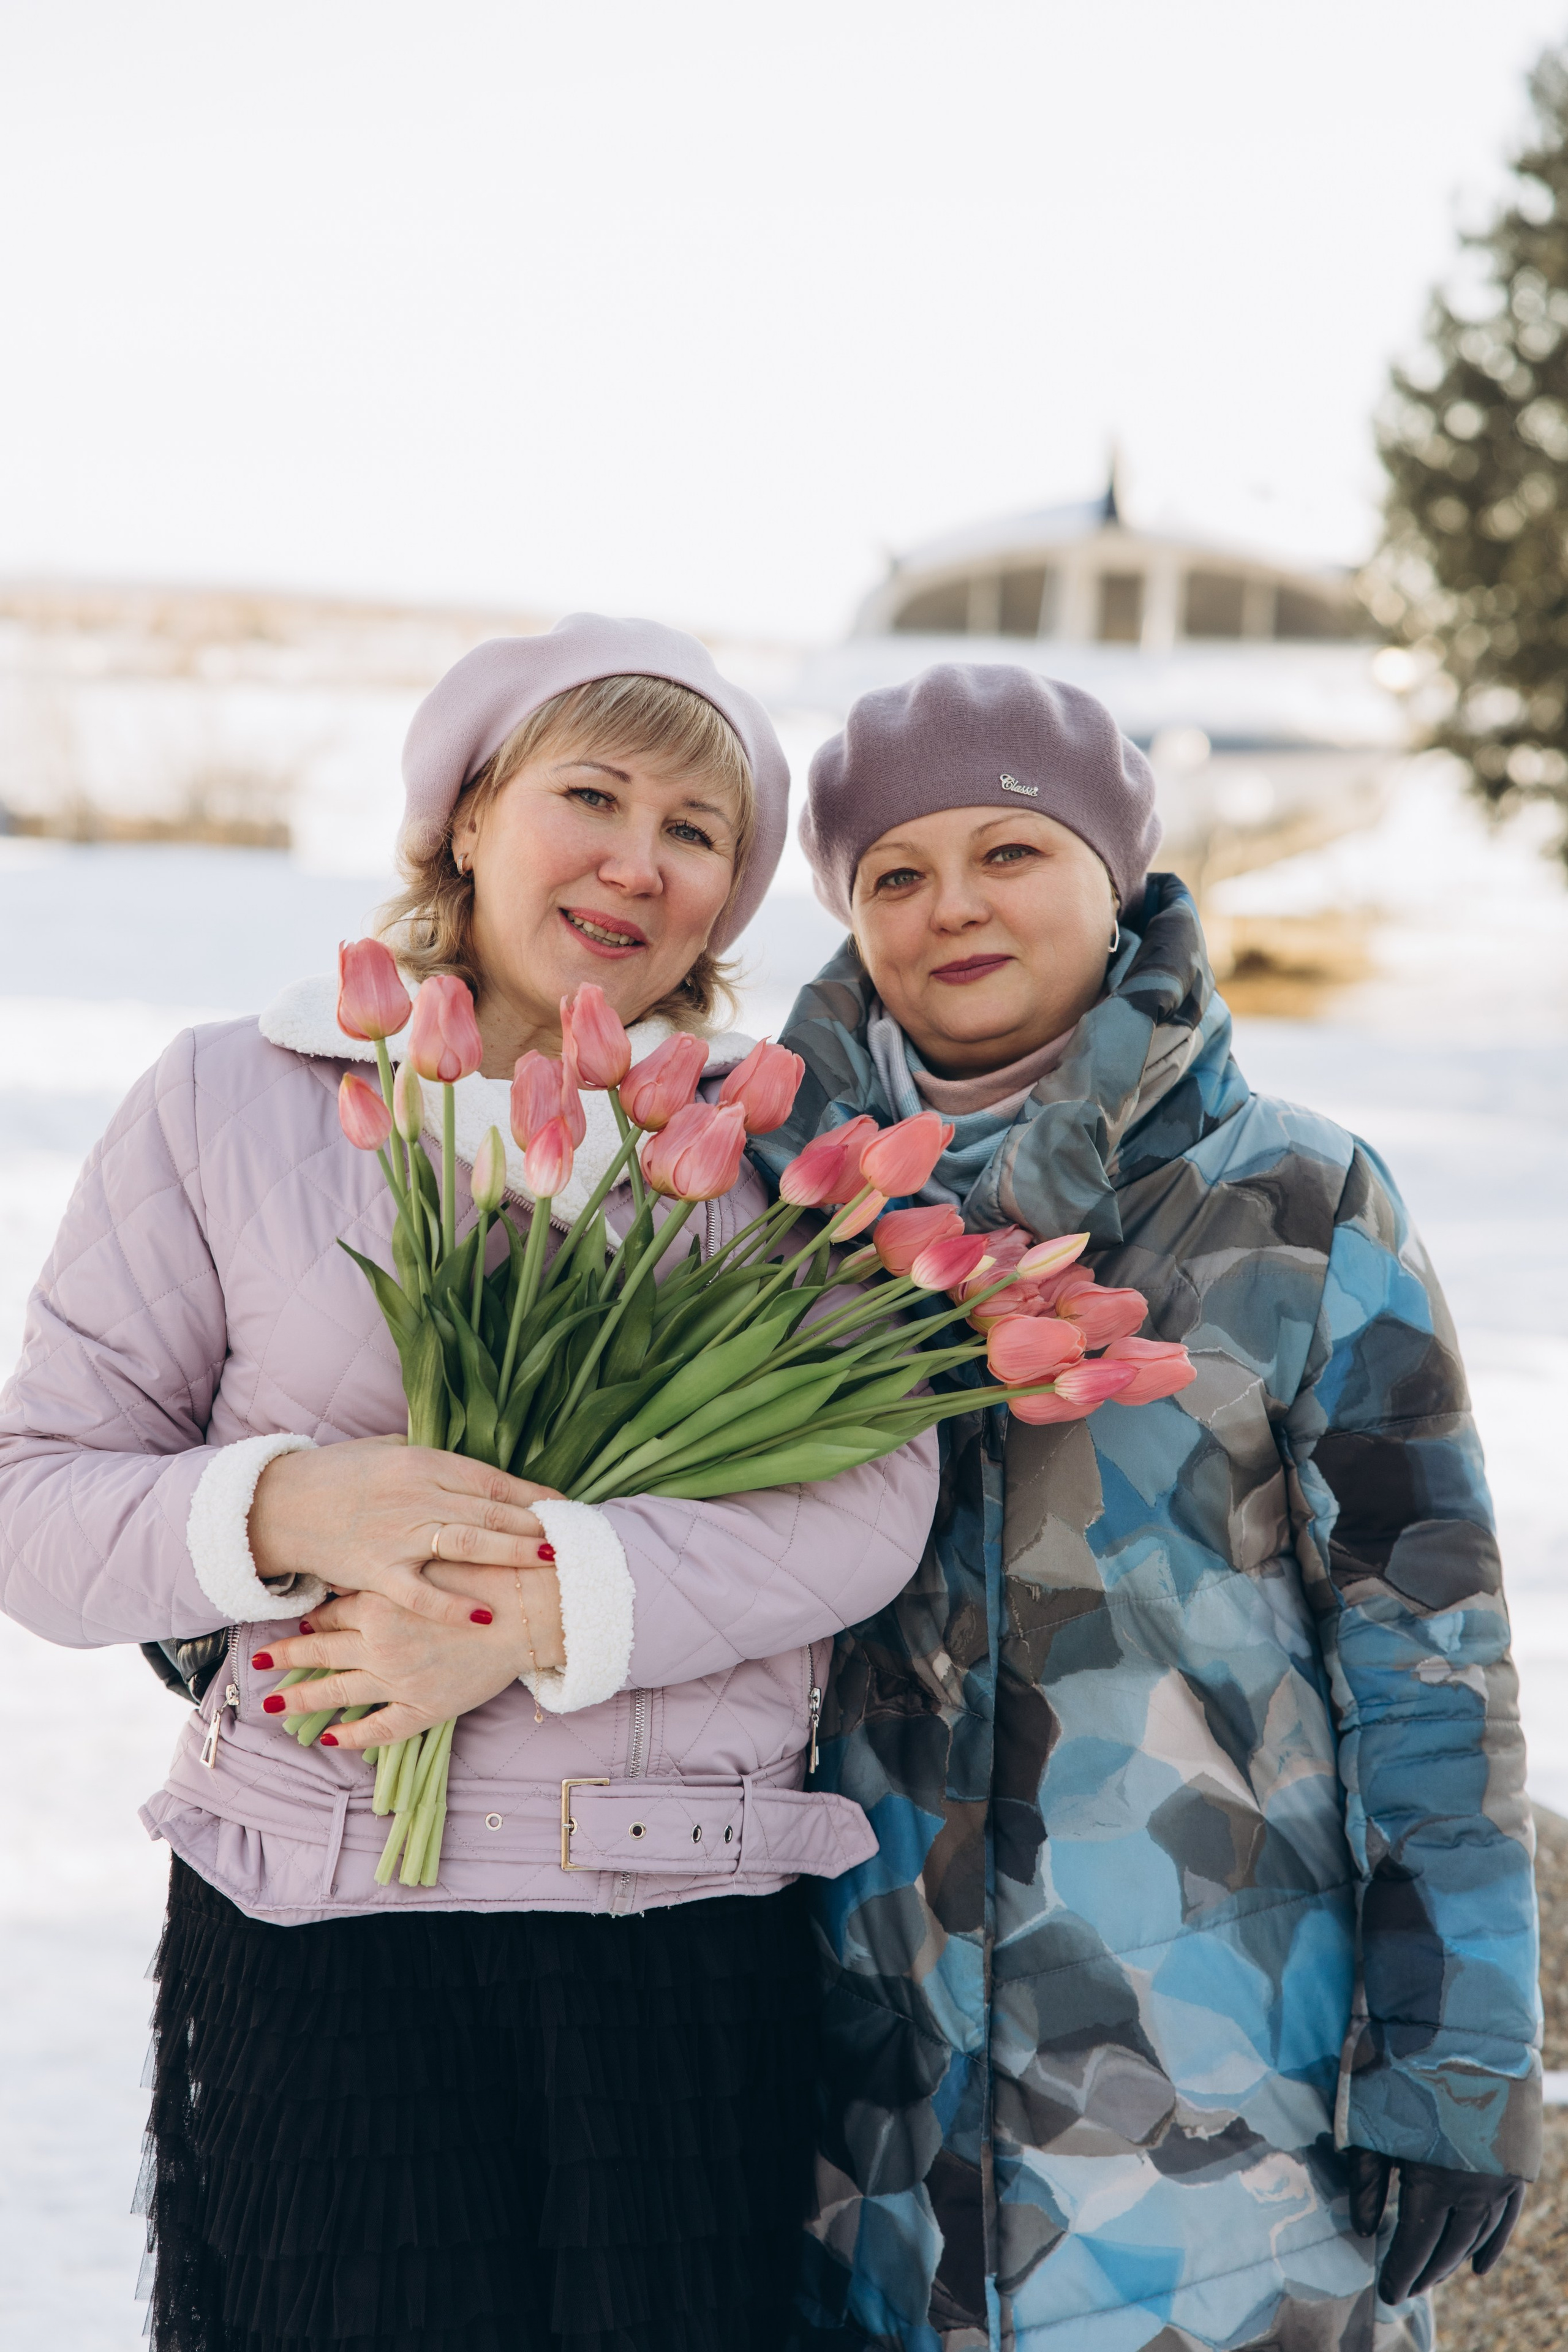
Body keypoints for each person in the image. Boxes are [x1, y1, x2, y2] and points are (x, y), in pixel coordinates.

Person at [0, 615, 940, 2352]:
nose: (635, 863)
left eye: (696, 832)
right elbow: (38, 1504)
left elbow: (870, 1505)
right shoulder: (233, 1101)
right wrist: (285, 1510)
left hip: (673, 1938)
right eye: (592, 794)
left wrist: (538, 1612)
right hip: (322, 1932)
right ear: (467, 815)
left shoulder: (766, 1170)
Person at [750, 665, 1541, 2352]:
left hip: (1223, 2117)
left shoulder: (1298, 1204)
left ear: (1117, 878)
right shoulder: (758, 1219)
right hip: (848, 2135)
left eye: (1011, 850)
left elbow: (1433, 1657)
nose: (951, 903)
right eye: (893, 872)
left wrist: (1457, 2047)